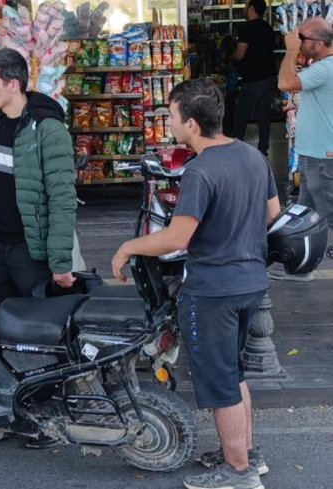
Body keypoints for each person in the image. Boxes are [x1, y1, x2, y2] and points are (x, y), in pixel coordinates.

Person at [111, 79, 278, 489]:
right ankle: (244, 453)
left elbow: (176, 239)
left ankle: (238, 473)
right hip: (251, 282)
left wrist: (128, 247)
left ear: (190, 123)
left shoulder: (201, 169)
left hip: (214, 290)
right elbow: (273, 211)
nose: (168, 122)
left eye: (170, 115)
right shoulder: (252, 156)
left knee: (220, 383)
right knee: (233, 373)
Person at [0, 48, 77, 318]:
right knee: (4, 325)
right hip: (0, 247)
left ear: (13, 85)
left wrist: (60, 262)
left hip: (32, 252)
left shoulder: (48, 128)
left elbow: (62, 197)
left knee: (39, 329)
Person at [278, 18, 333, 249]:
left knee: (324, 215)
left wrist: (290, 51)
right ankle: (303, 265)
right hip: (315, 154)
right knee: (305, 215)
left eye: (302, 39)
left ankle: (316, 259)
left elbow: (285, 82)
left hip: (321, 156)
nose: (298, 43)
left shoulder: (324, 69)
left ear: (319, 43)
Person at [231, 0, 276, 156]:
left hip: (252, 80)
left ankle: (236, 150)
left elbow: (240, 53)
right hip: (269, 78)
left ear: (251, 9)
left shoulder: (247, 28)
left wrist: (230, 59)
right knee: (264, 117)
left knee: (242, 116)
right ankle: (263, 150)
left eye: (246, 7)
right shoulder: (268, 28)